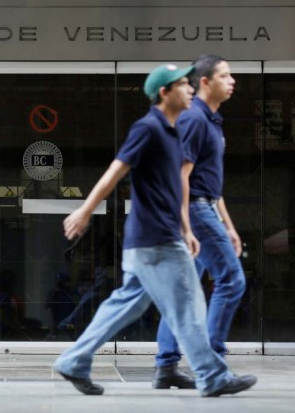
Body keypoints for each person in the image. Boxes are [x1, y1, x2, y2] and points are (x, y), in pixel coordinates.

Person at [53, 64, 257, 397]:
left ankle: (74, 360)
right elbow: (115, 171)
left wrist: (187, 228)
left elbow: (176, 188)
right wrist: (85, 210)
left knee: (127, 303)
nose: (190, 89)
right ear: (165, 92)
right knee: (189, 303)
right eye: (182, 85)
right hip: (156, 237)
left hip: (155, 237)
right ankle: (212, 375)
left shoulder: (174, 131)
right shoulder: (148, 128)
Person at [154, 55, 246, 389]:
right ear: (204, 82)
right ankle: (214, 366)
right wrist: (186, 225)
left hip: (204, 206)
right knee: (232, 281)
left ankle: (166, 367)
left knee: (182, 292)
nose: (232, 80)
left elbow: (211, 183)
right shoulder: (194, 119)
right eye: (225, 75)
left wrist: (230, 226)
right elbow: (182, 176)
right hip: (193, 210)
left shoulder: (211, 121)